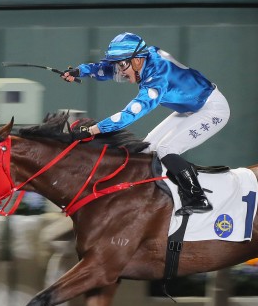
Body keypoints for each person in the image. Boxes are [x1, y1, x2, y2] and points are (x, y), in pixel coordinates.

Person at [61, 32, 230, 216]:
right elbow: (108, 69)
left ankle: (198, 198)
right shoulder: (143, 57)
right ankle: (154, 195)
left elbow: (128, 115)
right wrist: (80, 71)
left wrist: (92, 130)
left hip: (212, 109)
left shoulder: (156, 78)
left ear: (137, 61)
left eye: (122, 65)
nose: (120, 71)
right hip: (192, 108)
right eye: (118, 64)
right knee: (147, 148)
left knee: (166, 148)